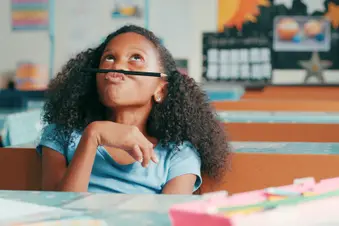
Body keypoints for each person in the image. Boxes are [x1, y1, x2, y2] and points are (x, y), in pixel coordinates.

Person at [37, 25, 230, 194]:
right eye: (109, 58)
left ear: (160, 89)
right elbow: (58, 211)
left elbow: (168, 219)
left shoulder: (179, 154)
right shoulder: (61, 136)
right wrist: (93, 135)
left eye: (136, 58)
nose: (117, 66)